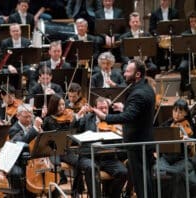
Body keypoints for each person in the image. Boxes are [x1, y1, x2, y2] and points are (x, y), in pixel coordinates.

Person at [93, 59, 155, 198]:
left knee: (141, 183)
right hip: (144, 141)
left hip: (137, 144)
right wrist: (124, 107)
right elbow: (137, 112)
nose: (124, 73)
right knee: (146, 181)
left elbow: (128, 117)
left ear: (137, 74)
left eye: (128, 71)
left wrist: (105, 117)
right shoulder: (147, 88)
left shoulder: (138, 93)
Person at [78, 97, 127, 198]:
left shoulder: (112, 120)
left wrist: (119, 133)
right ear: (95, 108)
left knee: (123, 172)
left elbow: (119, 144)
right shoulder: (87, 119)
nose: (104, 110)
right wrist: (79, 115)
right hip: (89, 156)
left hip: (108, 157)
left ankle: (111, 195)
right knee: (91, 168)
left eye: (106, 108)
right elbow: (75, 130)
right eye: (101, 108)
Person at [155, 98, 196, 198]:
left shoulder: (190, 127)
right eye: (175, 111)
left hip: (182, 159)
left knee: (177, 172)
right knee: (156, 168)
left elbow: (193, 144)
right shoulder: (167, 124)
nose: (176, 114)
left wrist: (190, 142)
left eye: (180, 112)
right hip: (167, 158)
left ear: (186, 113)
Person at [8, 103, 43, 197]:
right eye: (25, 117)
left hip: (32, 159)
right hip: (18, 161)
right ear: (18, 116)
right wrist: (35, 128)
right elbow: (21, 143)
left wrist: (41, 133)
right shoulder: (14, 129)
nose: (28, 119)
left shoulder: (31, 126)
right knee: (18, 173)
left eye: (30, 117)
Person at [120, 12, 158, 78]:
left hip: (144, 61)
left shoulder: (147, 35)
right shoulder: (124, 37)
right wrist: (130, 63)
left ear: (140, 23)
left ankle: (149, 86)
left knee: (153, 68)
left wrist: (145, 58)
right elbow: (123, 55)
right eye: (133, 22)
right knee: (125, 70)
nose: (135, 24)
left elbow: (151, 50)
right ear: (129, 23)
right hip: (130, 62)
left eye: (137, 22)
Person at [177, 11, 196, 98]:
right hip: (189, 58)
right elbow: (181, 49)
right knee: (182, 67)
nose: (193, 23)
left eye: (195, 21)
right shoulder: (184, 34)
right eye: (191, 21)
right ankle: (189, 89)